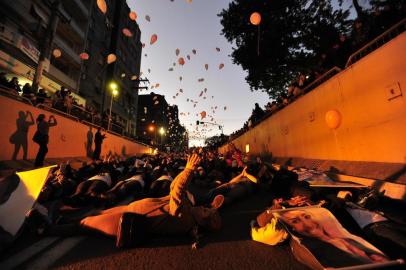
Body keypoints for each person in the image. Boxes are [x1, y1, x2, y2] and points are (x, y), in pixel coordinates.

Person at [50, 154, 224, 248]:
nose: (204, 207)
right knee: (96, 214)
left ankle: (45, 229)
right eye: (208, 208)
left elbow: (176, 190)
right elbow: (175, 188)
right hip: (131, 210)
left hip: (125, 221)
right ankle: (62, 220)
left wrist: (188, 170)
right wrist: (186, 171)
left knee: (86, 224)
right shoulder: (189, 210)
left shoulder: (185, 217)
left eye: (206, 211)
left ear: (202, 221)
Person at [278, 209, 389, 268]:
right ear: (292, 229)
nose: (309, 224)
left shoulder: (348, 239)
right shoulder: (312, 249)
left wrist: (373, 257)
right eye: (295, 221)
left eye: (307, 217)